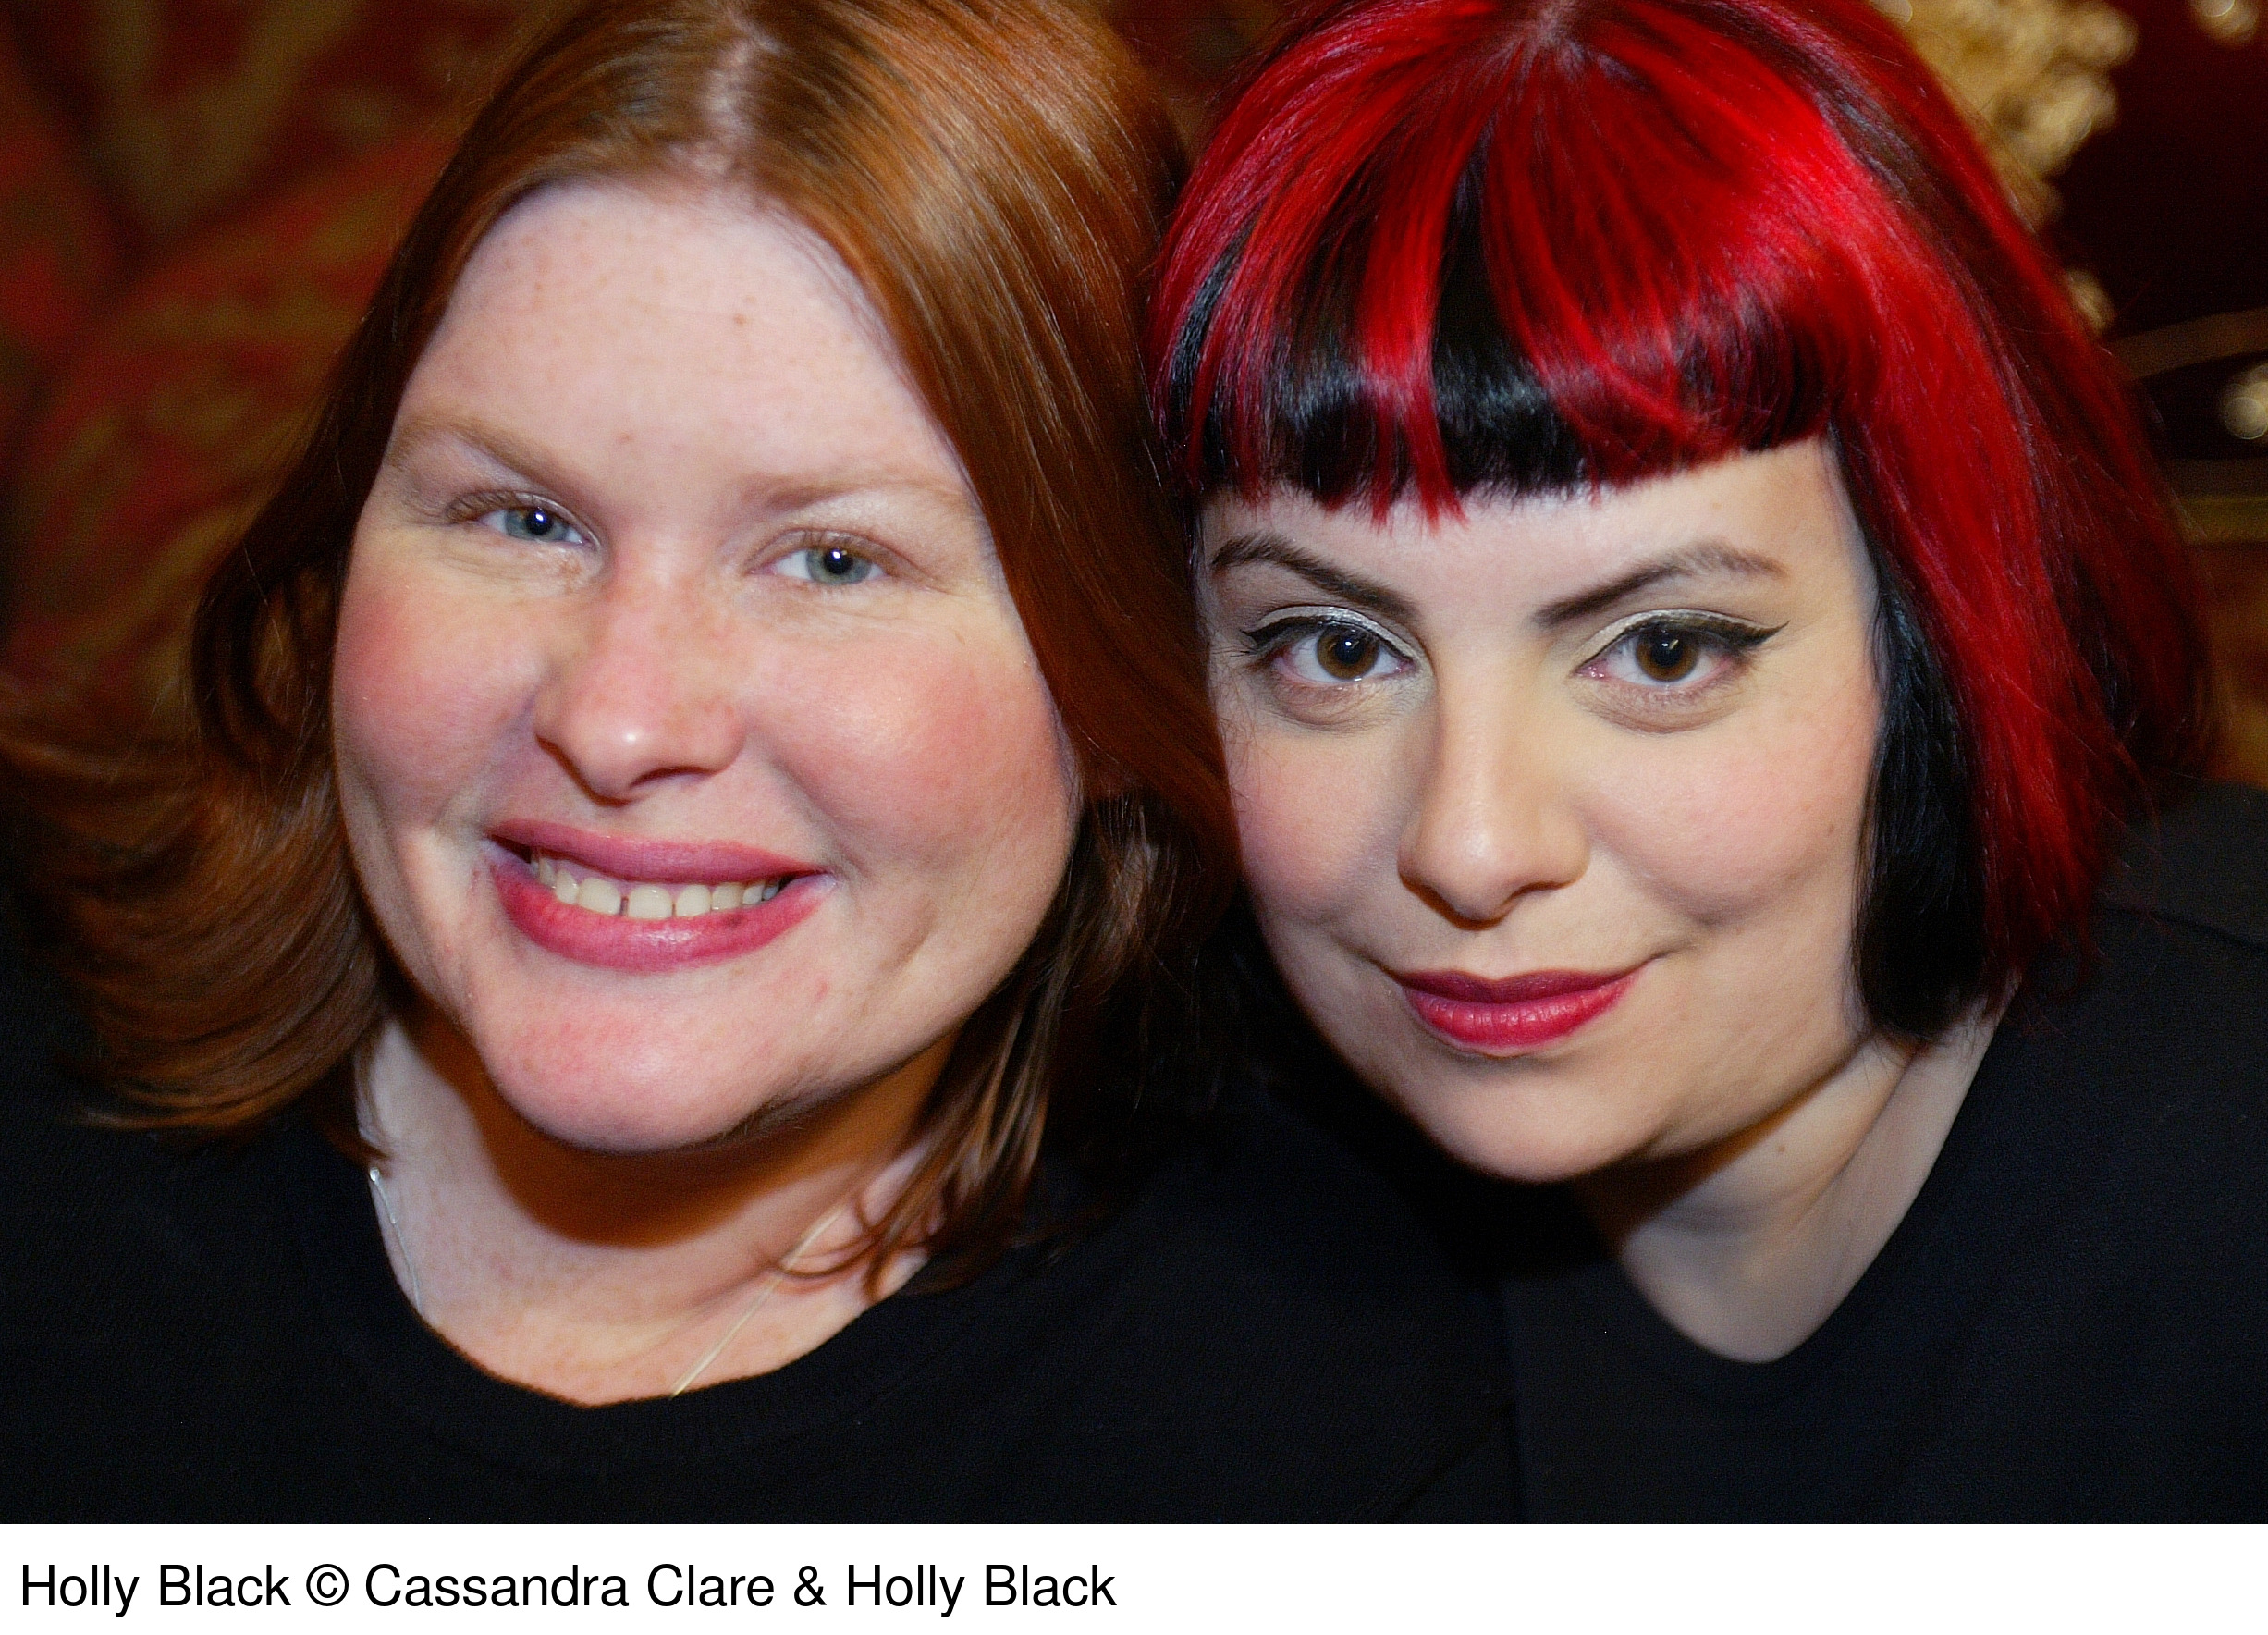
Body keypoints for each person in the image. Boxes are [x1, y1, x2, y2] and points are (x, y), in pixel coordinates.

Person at [0, 0, 1512, 1520]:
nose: (620, 723)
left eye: (834, 561)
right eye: (523, 519)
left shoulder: (1337, 1425)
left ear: (1123, 680)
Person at [1152, 0, 2268, 1518]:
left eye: (1665, 651)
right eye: (1339, 651)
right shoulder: (1179, 1201)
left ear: (1949, 623)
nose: (1470, 846)